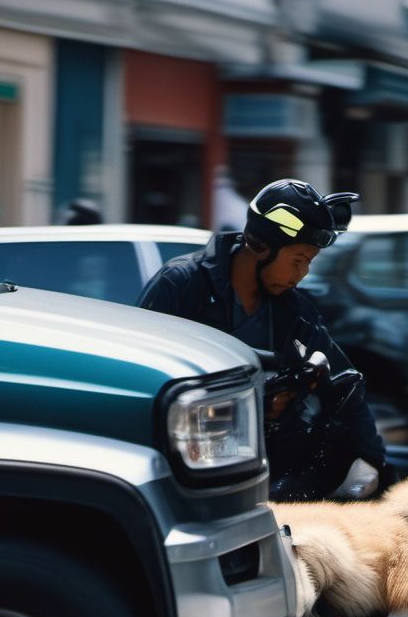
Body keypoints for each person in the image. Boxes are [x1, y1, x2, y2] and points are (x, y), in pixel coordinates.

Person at [139, 178, 388, 501]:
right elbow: (147, 383)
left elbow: (345, 382)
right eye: (298, 259)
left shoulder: (292, 309)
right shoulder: (182, 286)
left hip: (263, 462)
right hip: (186, 459)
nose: (302, 273)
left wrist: (379, 468)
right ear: (259, 246)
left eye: (309, 262)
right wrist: (257, 403)